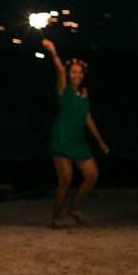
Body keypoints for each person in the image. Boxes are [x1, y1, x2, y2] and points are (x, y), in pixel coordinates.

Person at [41, 39, 110, 227]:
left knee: (92, 175)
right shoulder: (63, 89)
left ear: (83, 75)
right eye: (73, 72)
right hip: (61, 138)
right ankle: (55, 217)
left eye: (79, 73)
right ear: (69, 74)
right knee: (65, 180)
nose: (76, 75)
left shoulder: (84, 94)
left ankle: (74, 208)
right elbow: (60, 70)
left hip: (78, 141)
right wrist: (53, 52)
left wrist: (100, 142)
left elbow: (88, 119)